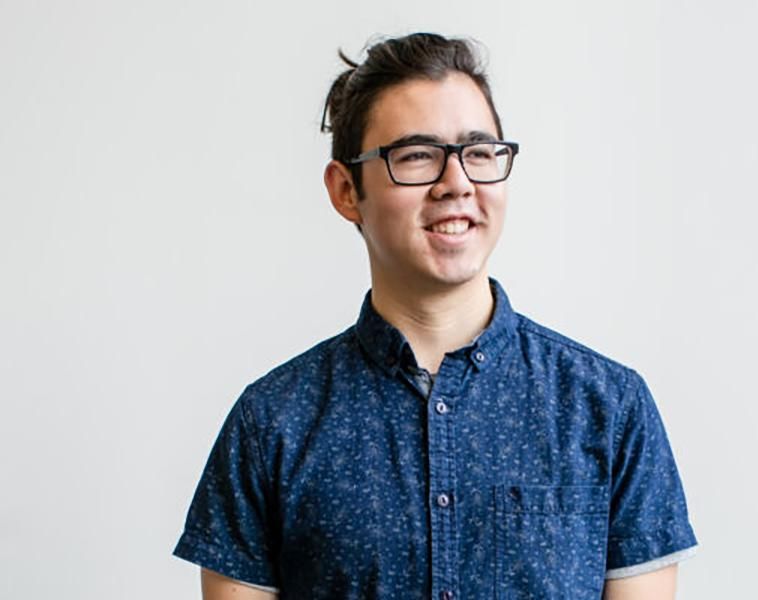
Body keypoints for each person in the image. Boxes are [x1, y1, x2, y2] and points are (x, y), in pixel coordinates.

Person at [174, 32, 698, 600]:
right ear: (347, 190)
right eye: (417, 156)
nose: (458, 183)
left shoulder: (610, 409)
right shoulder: (270, 424)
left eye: (478, 152)